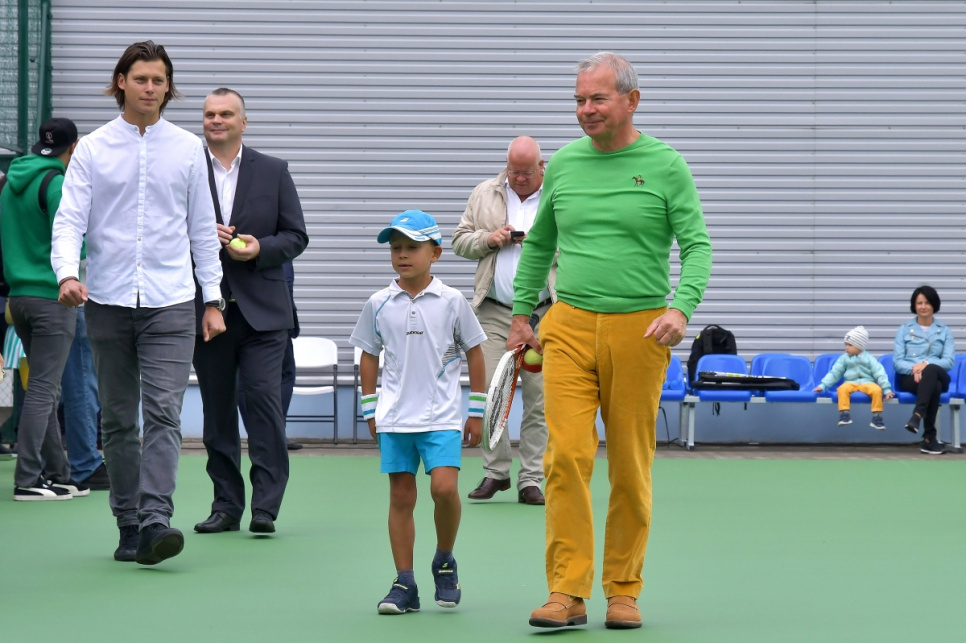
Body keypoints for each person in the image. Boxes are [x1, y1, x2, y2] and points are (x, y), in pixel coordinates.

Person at [506, 52, 712, 629]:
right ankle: (567, 591)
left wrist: (681, 308)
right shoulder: (564, 165)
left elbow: (697, 245)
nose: (585, 109)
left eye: (597, 98)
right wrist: (521, 315)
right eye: (579, 100)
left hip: (640, 330)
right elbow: (539, 244)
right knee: (565, 457)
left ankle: (623, 590)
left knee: (629, 465)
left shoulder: (666, 165)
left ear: (631, 100)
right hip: (568, 326)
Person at [51, 41, 225, 564]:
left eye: (159, 80)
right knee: (119, 419)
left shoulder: (189, 148)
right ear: (121, 82)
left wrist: (213, 298)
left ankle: (155, 521)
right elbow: (70, 218)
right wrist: (66, 273)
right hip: (106, 299)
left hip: (172, 301)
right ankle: (127, 522)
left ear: (169, 88)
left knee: (164, 414)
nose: (151, 88)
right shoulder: (93, 148)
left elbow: (202, 228)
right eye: (141, 78)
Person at [349, 210, 487, 615]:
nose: (402, 255)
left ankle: (444, 559)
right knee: (400, 496)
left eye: (412, 247)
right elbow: (368, 355)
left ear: (436, 253)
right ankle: (404, 583)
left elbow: (476, 353)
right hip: (394, 418)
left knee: (443, 489)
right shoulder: (378, 303)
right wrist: (370, 409)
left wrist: (476, 411)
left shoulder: (452, 301)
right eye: (396, 248)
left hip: (442, 417)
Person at [192, 87, 308, 536]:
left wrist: (260, 249)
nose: (216, 120)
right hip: (208, 311)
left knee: (263, 402)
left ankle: (265, 506)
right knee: (217, 411)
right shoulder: (186, 167)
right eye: (209, 114)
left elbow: (296, 236)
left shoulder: (274, 171)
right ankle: (225, 506)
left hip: (264, 312)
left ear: (243, 122)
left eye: (226, 114)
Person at [452, 136, 552, 506]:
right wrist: (490, 239)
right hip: (493, 311)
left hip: (544, 313)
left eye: (527, 172)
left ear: (542, 166)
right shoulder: (484, 193)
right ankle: (496, 472)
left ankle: (531, 479)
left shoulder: (559, 194)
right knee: (492, 392)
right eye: (513, 171)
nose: (520, 178)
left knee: (540, 400)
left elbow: (581, 244)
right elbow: (459, 241)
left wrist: (543, 244)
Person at [0, 117, 87, 501]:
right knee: (43, 389)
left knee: (43, 387)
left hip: (17, 299)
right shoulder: (58, 184)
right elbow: (74, 243)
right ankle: (28, 479)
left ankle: (57, 474)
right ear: (74, 147)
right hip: (53, 298)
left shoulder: (10, 183)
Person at [893, 285, 955, 455]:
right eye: (919, 303)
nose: (923, 306)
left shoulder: (945, 331)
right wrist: (915, 368)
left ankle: (917, 415)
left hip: (940, 375)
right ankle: (929, 438)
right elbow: (898, 362)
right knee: (933, 385)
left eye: (927, 302)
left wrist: (926, 364)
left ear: (934, 304)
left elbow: (949, 361)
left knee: (932, 371)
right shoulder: (904, 329)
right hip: (911, 378)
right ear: (914, 305)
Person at [813, 325, 894, 429]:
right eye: (846, 344)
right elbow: (835, 373)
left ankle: (877, 416)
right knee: (842, 389)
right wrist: (823, 385)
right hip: (850, 382)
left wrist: (886, 389)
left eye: (850, 345)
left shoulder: (869, 358)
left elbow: (879, 372)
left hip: (867, 382)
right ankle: (844, 414)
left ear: (859, 345)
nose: (846, 347)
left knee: (877, 390)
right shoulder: (844, 359)